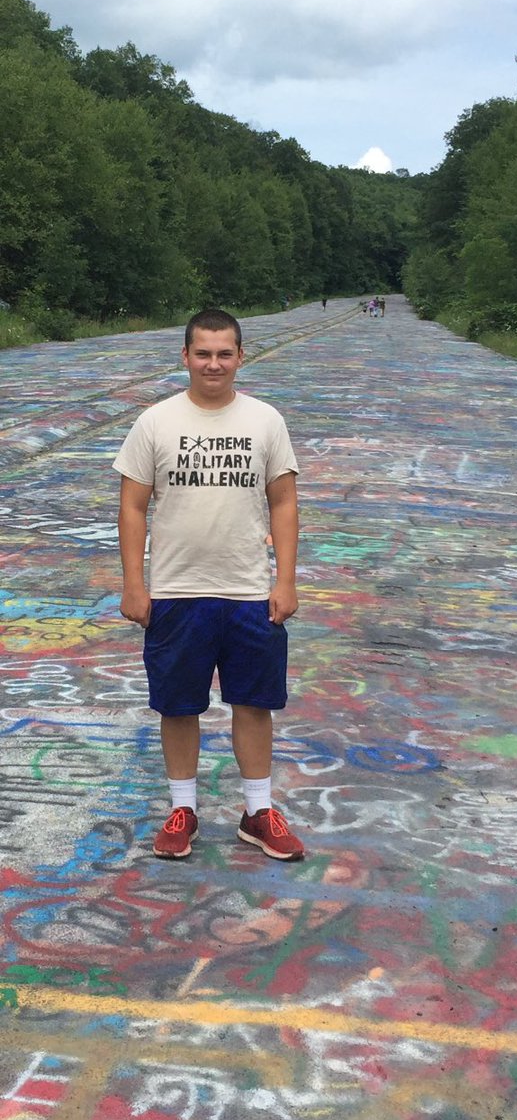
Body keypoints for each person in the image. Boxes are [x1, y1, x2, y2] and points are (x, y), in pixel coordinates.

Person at [113, 308, 304, 862]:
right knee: (179, 705)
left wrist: (285, 581)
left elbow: (284, 502)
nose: (213, 363)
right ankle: (183, 809)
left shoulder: (266, 421)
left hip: (248, 590)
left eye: (225, 353)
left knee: (253, 702)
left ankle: (258, 811)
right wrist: (133, 583)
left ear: (241, 357)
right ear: (186, 357)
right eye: (203, 353)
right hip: (176, 590)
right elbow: (131, 506)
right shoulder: (155, 422)